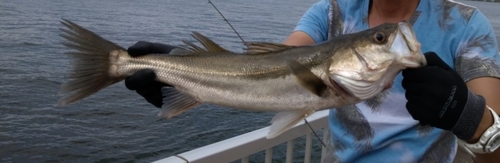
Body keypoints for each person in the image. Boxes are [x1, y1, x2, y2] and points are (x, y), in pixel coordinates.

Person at [125, 0, 500, 162]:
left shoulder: (466, 26)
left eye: (381, 40)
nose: (387, 40)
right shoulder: (331, 11)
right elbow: (276, 64)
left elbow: (496, 147)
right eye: (380, 39)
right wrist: (186, 69)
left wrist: (466, 114)